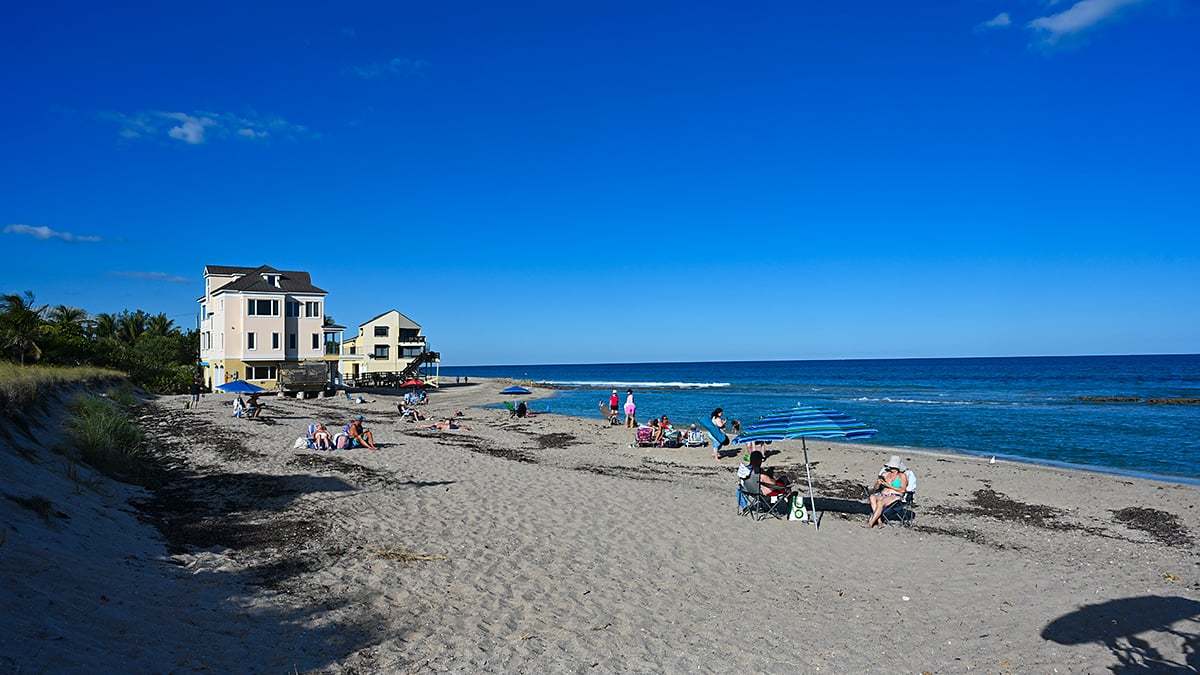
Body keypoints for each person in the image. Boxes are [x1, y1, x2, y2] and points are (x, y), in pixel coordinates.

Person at [866, 456, 908, 528]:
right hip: (883, 495)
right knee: (872, 497)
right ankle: (879, 522)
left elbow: (903, 490)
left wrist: (888, 485)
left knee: (880, 502)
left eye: (892, 466)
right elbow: (875, 489)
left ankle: (870, 523)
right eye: (891, 466)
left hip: (895, 496)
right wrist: (878, 484)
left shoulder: (902, 476)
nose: (891, 468)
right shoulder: (885, 474)